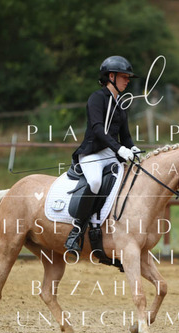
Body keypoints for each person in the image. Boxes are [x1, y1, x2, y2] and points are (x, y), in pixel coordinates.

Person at [65, 55, 142, 251]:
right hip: (92, 154)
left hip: (111, 155)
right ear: (111, 76)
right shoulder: (96, 98)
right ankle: (76, 231)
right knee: (95, 182)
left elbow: (125, 135)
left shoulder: (120, 104)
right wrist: (119, 149)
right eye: (124, 77)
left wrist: (132, 147)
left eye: (128, 77)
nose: (127, 81)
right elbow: (98, 129)